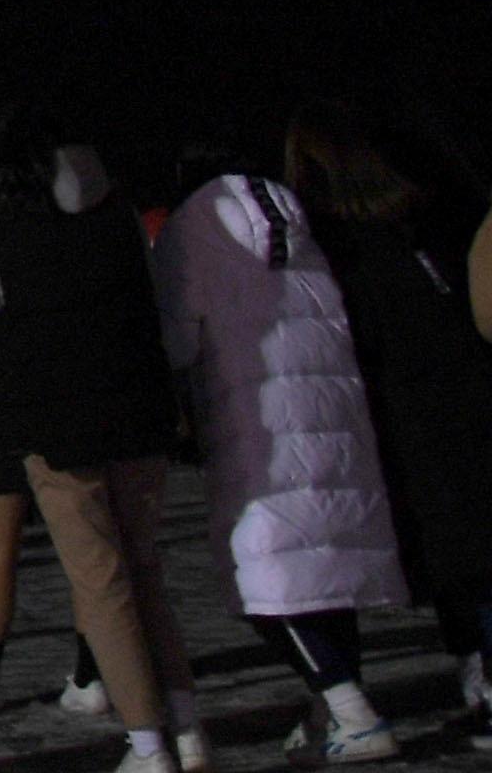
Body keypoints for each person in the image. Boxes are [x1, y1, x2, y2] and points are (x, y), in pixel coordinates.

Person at [0, 109, 204, 772]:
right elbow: (160, 312)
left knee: (101, 582)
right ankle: (188, 725)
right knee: (146, 569)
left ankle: (148, 744)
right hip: (139, 409)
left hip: (56, 423)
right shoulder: (117, 214)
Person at [156, 148, 407, 762]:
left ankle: (354, 712)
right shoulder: (294, 213)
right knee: (329, 566)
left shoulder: (192, 226)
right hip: (335, 406)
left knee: (266, 574)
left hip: (258, 414)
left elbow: (177, 338)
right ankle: (333, 713)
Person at [288, 105, 492, 736]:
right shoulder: (437, 217)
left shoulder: (344, 247)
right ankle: (476, 666)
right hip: (458, 400)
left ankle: (480, 669)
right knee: (464, 551)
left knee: (461, 552)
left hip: (412, 415)